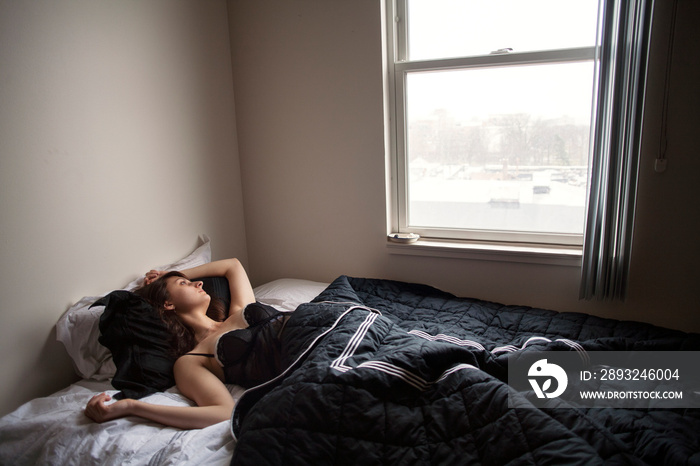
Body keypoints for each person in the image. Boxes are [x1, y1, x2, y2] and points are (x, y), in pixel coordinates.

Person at [84, 258, 277, 429]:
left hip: (304, 326)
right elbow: (223, 412)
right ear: (168, 304)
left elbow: (232, 265)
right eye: (184, 283)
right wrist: (132, 406)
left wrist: (169, 275)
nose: (199, 283)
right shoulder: (191, 361)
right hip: (299, 361)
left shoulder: (238, 312)